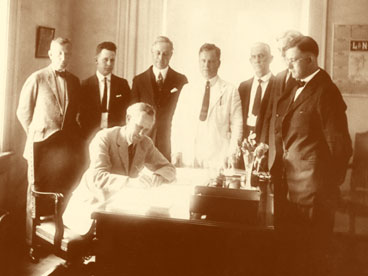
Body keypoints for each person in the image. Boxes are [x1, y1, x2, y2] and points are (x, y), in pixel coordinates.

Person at [267, 36, 352, 275]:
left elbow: (341, 146)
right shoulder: (295, 86)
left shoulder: (326, 91)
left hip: (314, 193)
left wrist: (326, 187)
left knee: (313, 258)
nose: (289, 66)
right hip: (291, 188)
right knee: (295, 254)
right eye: (287, 60)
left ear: (310, 59)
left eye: (293, 60)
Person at [63, 103, 176, 235]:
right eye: (139, 126)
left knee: (149, 231)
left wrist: (159, 175)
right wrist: (132, 182)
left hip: (119, 208)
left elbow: (169, 168)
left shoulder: (146, 143)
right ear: (128, 119)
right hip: (90, 207)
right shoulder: (104, 137)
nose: (141, 133)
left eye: (146, 129)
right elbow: (98, 177)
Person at [16, 37, 84, 248]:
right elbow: (23, 112)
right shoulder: (37, 78)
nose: (64, 58)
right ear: (51, 54)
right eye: (59, 53)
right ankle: (31, 243)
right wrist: (38, 136)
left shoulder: (74, 81)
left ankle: (55, 241)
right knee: (36, 194)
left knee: (60, 192)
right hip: (40, 147)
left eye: (67, 54)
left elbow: (73, 116)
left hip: (63, 150)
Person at [171, 43, 243, 170]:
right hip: (190, 155)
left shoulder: (230, 90)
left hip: (218, 156)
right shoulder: (188, 89)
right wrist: (176, 150)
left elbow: (237, 126)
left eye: (211, 61)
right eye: (203, 61)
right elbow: (177, 123)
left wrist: (232, 154)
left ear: (218, 63)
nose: (206, 65)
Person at [131, 36, 188, 161]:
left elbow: (184, 115)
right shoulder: (139, 81)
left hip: (169, 140)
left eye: (165, 54)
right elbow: (134, 114)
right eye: (157, 53)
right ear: (152, 53)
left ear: (171, 55)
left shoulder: (181, 80)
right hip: (145, 138)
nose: (161, 58)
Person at [79, 41, 131, 142]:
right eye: (105, 60)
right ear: (96, 60)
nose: (109, 64)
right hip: (90, 136)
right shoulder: (85, 85)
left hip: (115, 136)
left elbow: (127, 111)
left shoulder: (122, 84)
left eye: (112, 60)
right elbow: (80, 115)